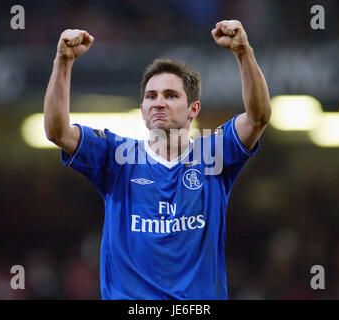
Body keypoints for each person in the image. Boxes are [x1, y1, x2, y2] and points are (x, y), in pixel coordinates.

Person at [44, 20, 271, 300]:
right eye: (151, 96)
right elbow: (57, 131)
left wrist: (243, 52)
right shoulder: (116, 156)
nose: (158, 102)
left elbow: (258, 117)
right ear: (142, 110)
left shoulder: (213, 154)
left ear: (193, 109)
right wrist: (63, 61)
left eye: (170, 95)